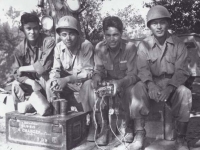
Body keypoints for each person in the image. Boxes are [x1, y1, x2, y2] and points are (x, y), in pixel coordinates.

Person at [81, 16, 148, 149]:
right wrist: (96, 77)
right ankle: (103, 127)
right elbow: (98, 69)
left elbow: (133, 75)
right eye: (108, 35)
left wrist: (119, 83)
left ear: (121, 34)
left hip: (126, 84)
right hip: (109, 84)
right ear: (104, 35)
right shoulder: (100, 47)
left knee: (137, 88)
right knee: (88, 85)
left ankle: (134, 129)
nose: (112, 39)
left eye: (116, 35)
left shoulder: (130, 48)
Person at [137, 5, 192, 150]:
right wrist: (150, 84)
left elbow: (182, 70)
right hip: (152, 83)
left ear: (168, 23)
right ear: (149, 26)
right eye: (155, 23)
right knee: (137, 88)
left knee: (185, 93)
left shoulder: (178, 44)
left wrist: (170, 87)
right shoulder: (143, 45)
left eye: (162, 22)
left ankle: (181, 138)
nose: (159, 26)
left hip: (172, 84)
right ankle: (139, 133)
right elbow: (142, 69)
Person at [46, 15, 94, 112]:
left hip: (82, 84)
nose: (68, 38)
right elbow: (55, 69)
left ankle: (88, 119)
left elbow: (88, 72)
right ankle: (56, 116)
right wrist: (54, 79)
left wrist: (66, 79)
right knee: (49, 84)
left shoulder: (86, 45)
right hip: (67, 85)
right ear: (60, 35)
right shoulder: (58, 47)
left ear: (77, 34)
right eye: (64, 34)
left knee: (89, 84)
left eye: (71, 34)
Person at [12, 13, 55, 115]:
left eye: (35, 28)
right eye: (28, 28)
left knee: (44, 77)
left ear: (40, 28)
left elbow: (43, 67)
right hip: (31, 84)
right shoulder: (19, 49)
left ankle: (52, 114)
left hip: (47, 81)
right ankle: (19, 117)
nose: (32, 32)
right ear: (23, 29)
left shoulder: (48, 41)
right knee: (15, 85)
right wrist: (32, 82)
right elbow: (15, 73)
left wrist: (22, 68)